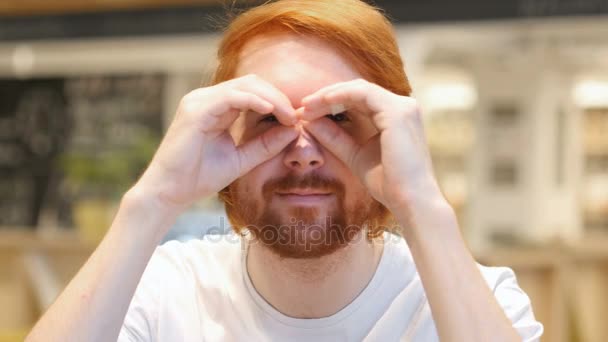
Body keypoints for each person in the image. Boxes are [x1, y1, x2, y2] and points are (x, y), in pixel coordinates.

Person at [27, 1, 543, 341]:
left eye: (338, 118)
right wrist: (153, 201)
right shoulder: (162, 291)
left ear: (392, 133)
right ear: (224, 132)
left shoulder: (470, 300)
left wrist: (423, 208)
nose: (303, 153)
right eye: (268, 119)